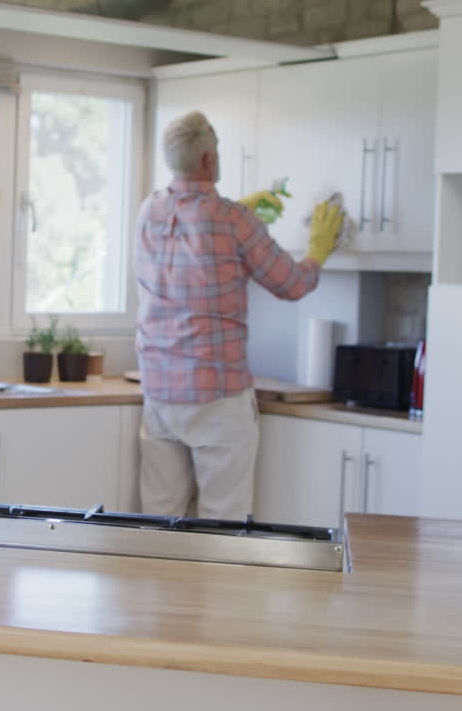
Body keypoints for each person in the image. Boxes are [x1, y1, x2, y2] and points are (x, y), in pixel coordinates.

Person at [133, 110, 343, 521]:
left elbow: (192, 238)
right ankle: (214, 589)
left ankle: (158, 588)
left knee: (157, 517)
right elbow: (293, 283)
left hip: (159, 389)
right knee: (223, 521)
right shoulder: (233, 220)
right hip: (217, 395)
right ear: (210, 160)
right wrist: (318, 248)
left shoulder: (149, 211)